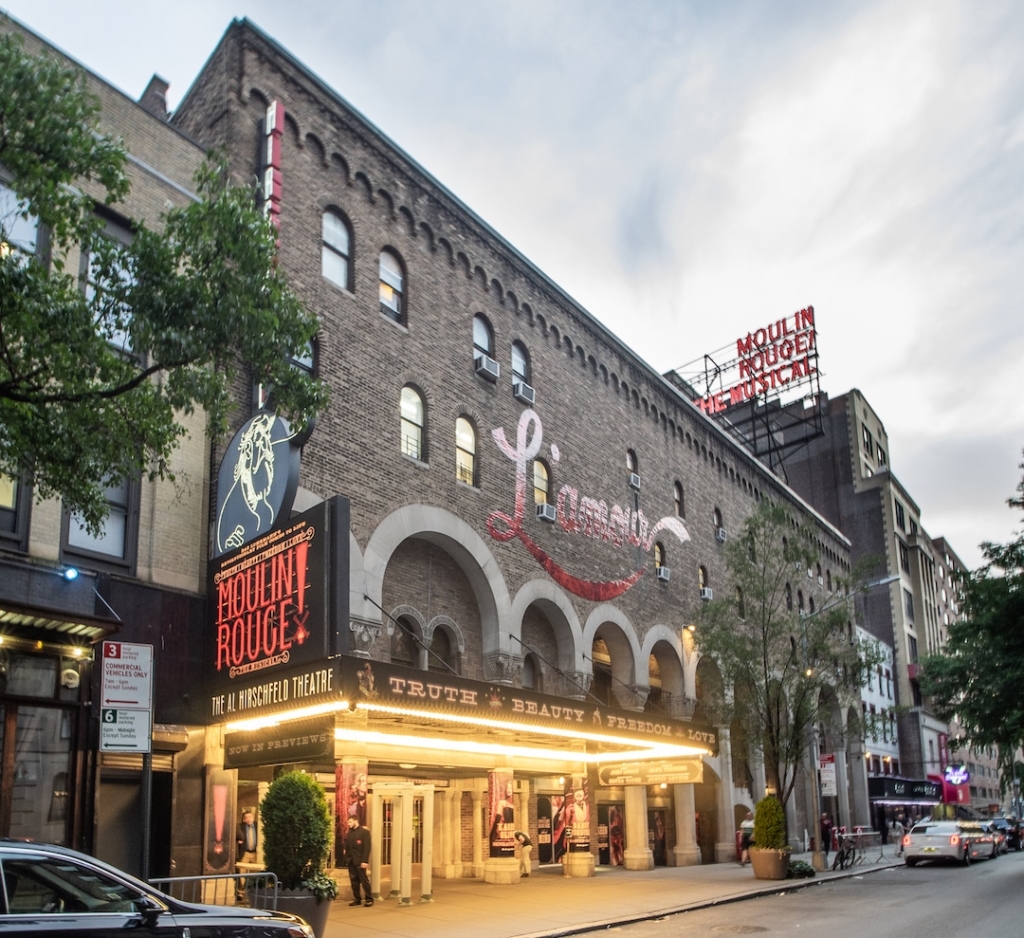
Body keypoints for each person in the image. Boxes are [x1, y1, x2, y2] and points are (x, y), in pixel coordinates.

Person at [343, 816, 373, 907]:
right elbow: (347, 845)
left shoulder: (365, 833)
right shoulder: (350, 832)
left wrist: (365, 861)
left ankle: (369, 899)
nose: (349, 824)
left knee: (364, 881)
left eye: (350, 822)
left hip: (360, 861)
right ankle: (357, 899)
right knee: (354, 881)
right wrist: (346, 856)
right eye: (348, 822)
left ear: (356, 821)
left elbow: (367, 848)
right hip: (351, 860)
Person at [235, 809, 258, 899]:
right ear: (244, 819)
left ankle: (253, 891)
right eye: (246, 817)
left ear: (253, 817)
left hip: (255, 852)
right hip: (245, 852)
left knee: (255, 873)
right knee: (241, 872)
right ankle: (241, 892)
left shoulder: (257, 826)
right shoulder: (241, 827)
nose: (248, 819)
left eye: (250, 817)